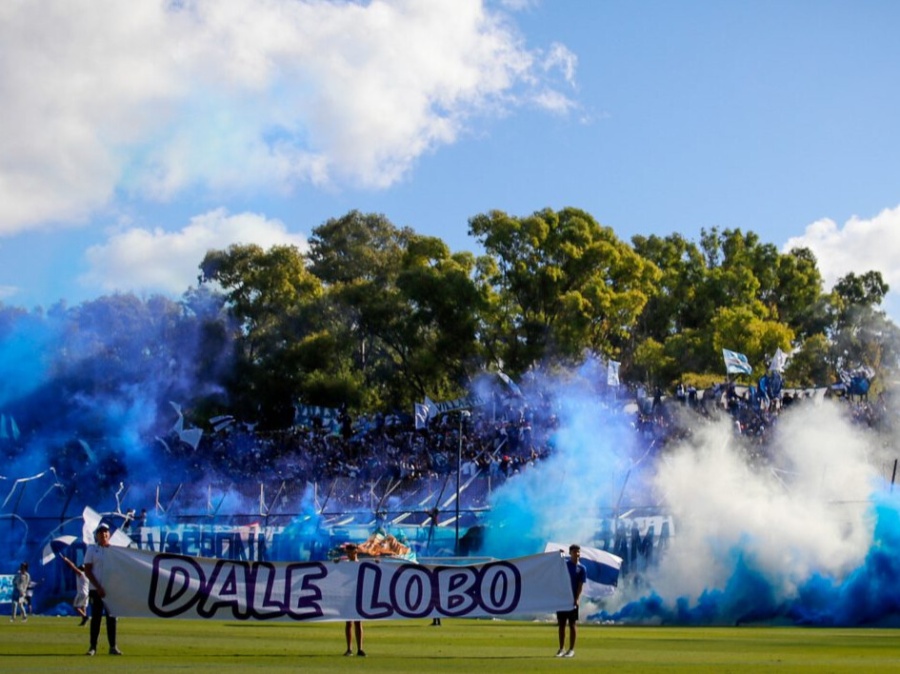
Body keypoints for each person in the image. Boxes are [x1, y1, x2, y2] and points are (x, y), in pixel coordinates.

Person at [83, 523, 122, 655]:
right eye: (101, 532)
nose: (103, 534)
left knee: (111, 618)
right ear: (97, 535)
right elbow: (87, 570)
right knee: (96, 618)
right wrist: (98, 587)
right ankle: (93, 646)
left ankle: (113, 646)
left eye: (106, 532)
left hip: (111, 590)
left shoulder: (114, 550)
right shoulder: (92, 549)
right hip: (96, 589)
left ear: (109, 535)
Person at [555, 544, 586, 658]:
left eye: (578, 552)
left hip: (572, 600)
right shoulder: (565, 565)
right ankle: (561, 649)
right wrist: (559, 554)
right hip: (562, 599)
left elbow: (580, 585)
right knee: (561, 624)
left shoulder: (582, 568)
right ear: (570, 553)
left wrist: (577, 598)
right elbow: (557, 563)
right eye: (574, 552)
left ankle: (571, 649)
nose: (577, 554)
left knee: (572, 624)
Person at [342, 543, 365, 657]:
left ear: (355, 551)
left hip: (357, 595)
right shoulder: (345, 564)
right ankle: (349, 649)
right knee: (348, 623)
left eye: (350, 551)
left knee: (358, 622)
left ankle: (360, 648)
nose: (348, 553)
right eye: (347, 551)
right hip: (347, 596)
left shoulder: (361, 564)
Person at [60, 555, 91, 625]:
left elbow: (73, 567)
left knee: (76, 607)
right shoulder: (88, 576)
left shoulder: (81, 574)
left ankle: (85, 617)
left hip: (81, 593)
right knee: (83, 607)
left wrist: (66, 560)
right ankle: (84, 621)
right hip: (87, 593)